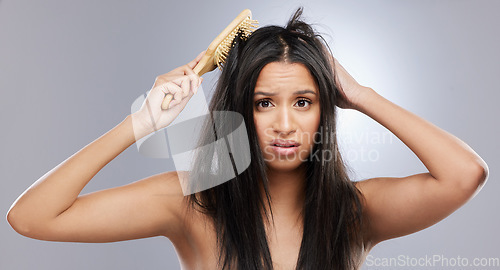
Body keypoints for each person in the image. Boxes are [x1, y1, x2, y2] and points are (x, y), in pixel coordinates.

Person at [6, 7, 488, 270]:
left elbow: (465, 175)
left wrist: (361, 94)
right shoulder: (191, 203)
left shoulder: (353, 211)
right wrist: (141, 123)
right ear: (239, 110)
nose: (284, 124)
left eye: (303, 102)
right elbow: (31, 218)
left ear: (325, 110)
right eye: (263, 103)